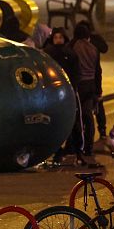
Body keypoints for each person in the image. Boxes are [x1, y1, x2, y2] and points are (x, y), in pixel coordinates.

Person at [43, 28, 84, 165]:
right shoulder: (48, 53)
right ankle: (58, 150)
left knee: (73, 121)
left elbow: (76, 72)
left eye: (60, 37)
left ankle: (76, 149)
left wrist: (73, 87)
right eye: (56, 37)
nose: (58, 40)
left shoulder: (70, 53)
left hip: (68, 91)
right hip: (52, 93)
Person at [70, 24, 100, 156]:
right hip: (91, 85)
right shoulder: (94, 49)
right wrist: (98, 91)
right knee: (88, 116)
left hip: (79, 85)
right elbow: (98, 71)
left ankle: (77, 146)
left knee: (77, 117)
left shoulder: (74, 47)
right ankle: (89, 147)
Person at [76, 20, 108, 139]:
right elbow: (104, 48)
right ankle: (101, 130)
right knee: (97, 103)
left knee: (91, 106)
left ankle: (97, 130)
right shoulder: (88, 44)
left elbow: (104, 48)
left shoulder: (81, 44)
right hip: (93, 78)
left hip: (86, 79)